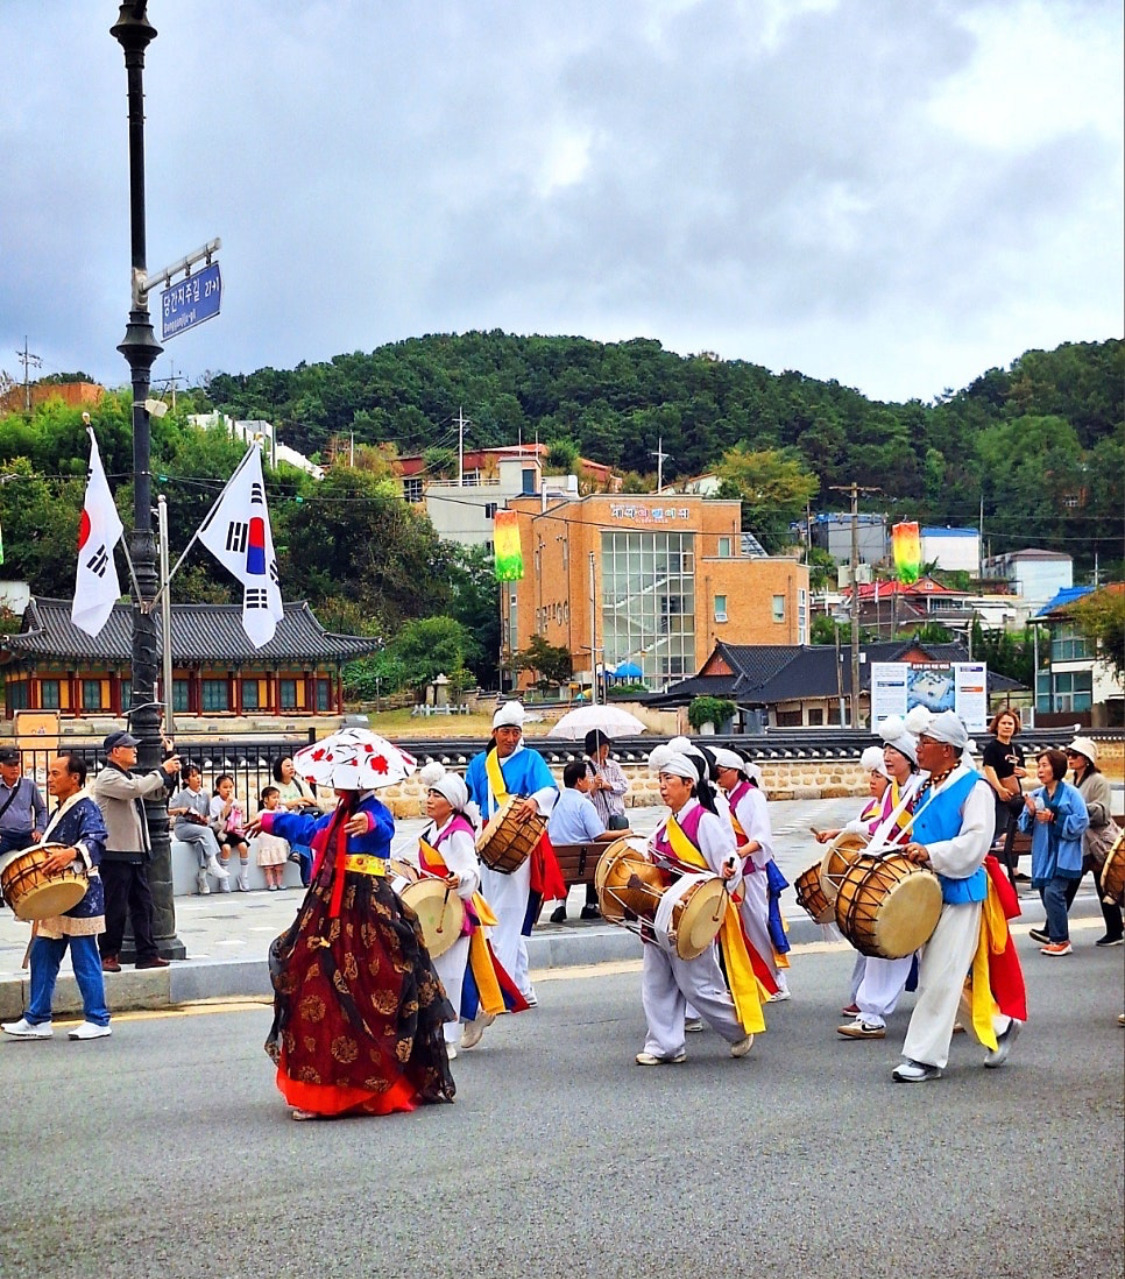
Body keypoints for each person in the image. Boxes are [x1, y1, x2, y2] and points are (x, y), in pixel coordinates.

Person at [248, 728, 455, 1120]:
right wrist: (270, 819)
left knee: (370, 990)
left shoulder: (374, 810)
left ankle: (365, 1086)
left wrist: (368, 823)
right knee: (317, 990)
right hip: (328, 907)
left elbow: (384, 827)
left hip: (367, 907)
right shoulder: (338, 814)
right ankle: (321, 1088)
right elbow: (310, 831)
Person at [892, 709, 1026, 1082]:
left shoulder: (975, 787)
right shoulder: (927, 786)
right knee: (943, 973)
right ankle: (999, 1027)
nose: (918, 748)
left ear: (948, 750)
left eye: (925, 742)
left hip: (960, 891)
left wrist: (930, 853)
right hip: (928, 892)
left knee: (938, 975)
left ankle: (924, 1058)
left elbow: (974, 843)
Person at [636, 750, 759, 1064]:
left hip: (690, 914)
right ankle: (664, 1046)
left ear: (689, 783)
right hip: (660, 914)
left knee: (697, 985)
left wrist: (729, 871)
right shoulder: (664, 824)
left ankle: (738, 1028)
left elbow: (728, 860)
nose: (662, 786)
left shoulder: (704, 820)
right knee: (656, 982)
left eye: (669, 779)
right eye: (660, 779)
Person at [2, 751, 112, 1041]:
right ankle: (37, 1019)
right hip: (58, 893)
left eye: (55, 774)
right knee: (42, 955)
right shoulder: (61, 809)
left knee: (84, 956)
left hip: (81, 894)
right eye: (49, 774)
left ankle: (98, 1019)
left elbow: (96, 839)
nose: (48, 779)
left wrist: (73, 852)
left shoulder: (87, 807)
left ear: (74, 778)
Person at [464, 701, 561, 1005]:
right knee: (499, 911)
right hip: (487, 841)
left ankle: (502, 989)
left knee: (506, 914)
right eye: (505, 732)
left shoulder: (531, 759)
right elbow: (469, 800)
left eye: (515, 732)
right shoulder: (480, 764)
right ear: (494, 732)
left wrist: (535, 801)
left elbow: (549, 789)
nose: (511, 738)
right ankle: (521, 987)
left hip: (517, 844)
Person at [834, 723, 924, 1040]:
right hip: (897, 874)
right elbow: (883, 826)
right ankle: (871, 1014)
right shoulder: (894, 790)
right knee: (887, 943)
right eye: (885, 750)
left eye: (893, 751)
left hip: (919, 874)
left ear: (909, 757)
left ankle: (966, 1008)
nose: (886, 756)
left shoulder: (922, 788)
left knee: (931, 952)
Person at [93, 731, 180, 972]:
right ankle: (108, 954)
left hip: (135, 851)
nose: (135, 750)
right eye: (129, 746)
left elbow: (155, 792)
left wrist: (169, 768)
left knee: (144, 906)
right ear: (115, 752)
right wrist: (161, 771)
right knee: (115, 907)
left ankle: (147, 953)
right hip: (115, 852)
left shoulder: (129, 776)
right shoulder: (107, 778)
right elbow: (136, 788)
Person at [712, 747, 790, 1003]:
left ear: (735, 771)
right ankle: (752, 981)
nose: (718, 776)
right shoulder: (726, 797)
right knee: (741, 928)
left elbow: (762, 837)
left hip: (751, 871)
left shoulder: (752, 796)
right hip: (735, 870)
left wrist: (739, 852)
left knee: (758, 924)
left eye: (721, 772)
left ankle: (775, 982)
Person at [1018, 749, 1089, 957]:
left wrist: (1054, 819)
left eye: (1045, 765)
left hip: (1064, 853)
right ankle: (1056, 937)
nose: (1040, 770)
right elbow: (1024, 826)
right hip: (1043, 853)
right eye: (1039, 766)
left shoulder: (1071, 794)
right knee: (1046, 894)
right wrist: (1031, 812)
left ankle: (1061, 940)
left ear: (1056, 768)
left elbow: (1082, 820)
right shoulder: (1035, 795)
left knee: (1053, 892)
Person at [1061, 737, 1123, 947]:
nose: (1070, 758)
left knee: (1101, 887)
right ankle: (1114, 930)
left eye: (1075, 755)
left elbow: (1103, 812)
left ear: (1086, 759)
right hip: (1084, 843)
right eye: (1069, 754)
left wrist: (1079, 810)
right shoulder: (1073, 782)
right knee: (1097, 886)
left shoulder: (1098, 781)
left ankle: (1053, 928)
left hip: (1097, 842)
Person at [168, 764, 229, 895]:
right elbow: (167, 810)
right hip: (183, 827)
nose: (198, 778)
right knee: (207, 832)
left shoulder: (205, 795)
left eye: (198, 775)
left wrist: (205, 819)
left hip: (199, 828)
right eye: (194, 776)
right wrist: (181, 809)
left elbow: (207, 815)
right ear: (186, 780)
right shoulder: (182, 795)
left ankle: (202, 876)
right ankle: (213, 863)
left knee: (200, 843)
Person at [981, 709, 1027, 880]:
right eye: (1004, 723)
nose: (1007, 726)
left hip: (1015, 796)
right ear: (997, 726)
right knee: (998, 828)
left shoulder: (1016, 749)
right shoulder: (992, 748)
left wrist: (1023, 773)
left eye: (1010, 724)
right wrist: (999, 789)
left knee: (1015, 829)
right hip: (999, 795)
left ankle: (1013, 867)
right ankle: (988, 861)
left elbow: (1022, 770)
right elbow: (989, 769)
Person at [273, 757, 320, 887]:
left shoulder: (299, 784)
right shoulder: (274, 786)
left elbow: (313, 801)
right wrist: (300, 800)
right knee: (302, 835)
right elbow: (279, 805)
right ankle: (308, 880)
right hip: (286, 821)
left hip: (301, 819)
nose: (291, 768)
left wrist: (298, 802)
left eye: (292, 765)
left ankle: (296, 852)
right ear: (279, 768)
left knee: (303, 831)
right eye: (287, 766)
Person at [0, 746, 47, 861]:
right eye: (10, 765)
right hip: (4, 835)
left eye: (16, 764)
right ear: (1, 767)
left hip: (27, 835)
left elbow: (42, 810)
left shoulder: (29, 785)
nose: (14, 768)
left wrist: (39, 829)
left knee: (41, 859)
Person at [210, 774, 251, 891]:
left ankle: (244, 876)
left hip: (233, 830)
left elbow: (239, 819)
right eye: (225, 787)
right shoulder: (215, 802)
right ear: (218, 788)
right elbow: (218, 820)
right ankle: (224, 878)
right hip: (221, 831)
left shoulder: (235, 801)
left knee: (243, 847)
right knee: (226, 848)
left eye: (230, 787)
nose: (228, 790)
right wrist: (227, 805)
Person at [254, 787, 289, 891]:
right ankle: (271, 883)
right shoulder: (262, 813)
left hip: (278, 841)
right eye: (274, 797)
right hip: (267, 843)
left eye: (278, 797)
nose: (277, 800)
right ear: (266, 799)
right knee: (268, 866)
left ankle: (279, 882)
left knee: (279, 865)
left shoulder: (282, 811)